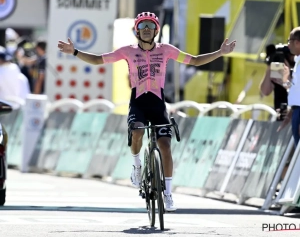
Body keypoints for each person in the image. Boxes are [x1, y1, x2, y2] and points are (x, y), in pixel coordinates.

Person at [58, 12, 236, 211]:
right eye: (142, 27)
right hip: (138, 103)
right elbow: (99, 59)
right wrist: (75, 52)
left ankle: (168, 193)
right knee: (137, 132)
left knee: (166, 147)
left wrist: (219, 53)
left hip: (158, 104)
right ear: (136, 30)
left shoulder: (166, 50)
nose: (146, 30)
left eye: (150, 27)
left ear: (156, 30)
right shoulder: (128, 51)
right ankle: (136, 166)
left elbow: (193, 61)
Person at [278, 27, 300, 149]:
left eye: (289, 40)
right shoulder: (298, 61)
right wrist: (285, 80)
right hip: (296, 111)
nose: (288, 44)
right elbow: (295, 92)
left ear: (297, 42)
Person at [260, 44, 295, 120]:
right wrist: (270, 66)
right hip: (281, 117)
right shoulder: (279, 71)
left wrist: (287, 75)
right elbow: (265, 91)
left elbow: (294, 91)